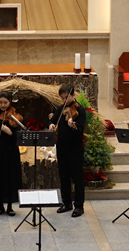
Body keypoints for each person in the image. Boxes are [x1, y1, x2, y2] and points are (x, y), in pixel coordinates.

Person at [49, 84, 86, 218]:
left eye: (66, 97)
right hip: (62, 147)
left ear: (73, 95)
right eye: (62, 98)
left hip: (75, 149)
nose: (64, 100)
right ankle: (67, 203)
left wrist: (73, 126)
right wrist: (51, 125)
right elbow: (53, 120)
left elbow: (80, 131)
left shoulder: (80, 111)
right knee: (64, 176)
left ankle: (79, 206)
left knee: (77, 178)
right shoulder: (61, 109)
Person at [0, 91, 23, 216]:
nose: (3, 105)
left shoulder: (15, 116)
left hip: (11, 152)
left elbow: (20, 135)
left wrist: (10, 132)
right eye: (0, 102)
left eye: (5, 102)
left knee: (11, 178)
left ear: (10, 102)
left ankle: (10, 206)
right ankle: (0, 206)